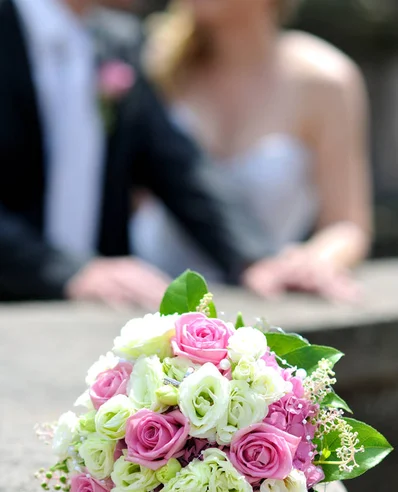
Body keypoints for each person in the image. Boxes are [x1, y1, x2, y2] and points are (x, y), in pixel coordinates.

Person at [0, 0, 270, 307]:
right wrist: (65, 271)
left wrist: (256, 259)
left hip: (91, 322)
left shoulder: (118, 40)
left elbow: (178, 164)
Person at [135, 0, 373, 300]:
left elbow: (347, 225)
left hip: (259, 299)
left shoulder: (324, 80)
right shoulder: (155, 67)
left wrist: (312, 262)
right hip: (145, 303)